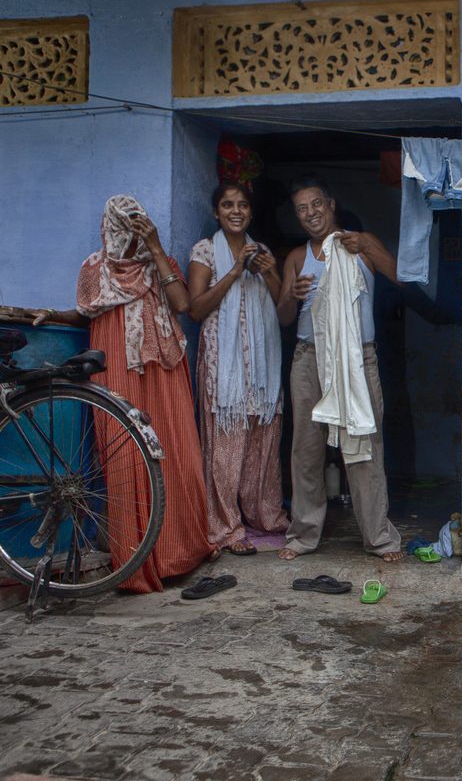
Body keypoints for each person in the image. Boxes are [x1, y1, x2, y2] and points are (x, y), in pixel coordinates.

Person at [30, 195, 217, 592]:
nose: (135, 226)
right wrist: (55, 315)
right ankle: (139, 563)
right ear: (112, 226)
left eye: (141, 219)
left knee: (177, 451)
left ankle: (184, 552)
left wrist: (155, 249)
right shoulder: (95, 268)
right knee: (126, 459)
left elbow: (182, 303)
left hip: (163, 368)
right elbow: (89, 310)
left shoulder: (159, 262)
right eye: (128, 221)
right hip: (116, 364)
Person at [275, 174, 404, 563]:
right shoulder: (298, 257)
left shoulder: (361, 244)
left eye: (316, 204)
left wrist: (366, 245)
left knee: (365, 444)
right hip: (309, 358)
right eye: (302, 208)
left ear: (331, 204)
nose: (311, 213)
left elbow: (400, 276)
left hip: (356, 358)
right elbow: (282, 318)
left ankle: (379, 538)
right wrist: (292, 295)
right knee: (306, 449)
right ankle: (302, 535)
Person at [186, 182, 287, 556]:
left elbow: (282, 307)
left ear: (250, 212)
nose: (236, 211)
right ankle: (227, 527)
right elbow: (195, 309)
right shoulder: (205, 251)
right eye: (228, 205)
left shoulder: (260, 251)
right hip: (222, 367)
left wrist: (270, 270)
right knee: (225, 449)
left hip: (260, 368)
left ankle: (265, 516)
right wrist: (233, 272)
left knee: (262, 445)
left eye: (243, 204)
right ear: (216, 212)